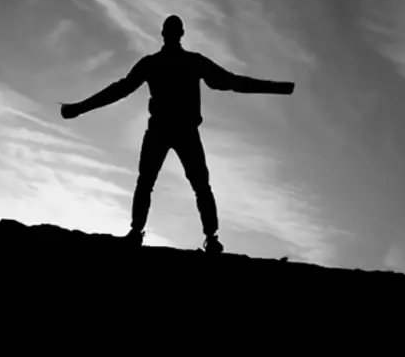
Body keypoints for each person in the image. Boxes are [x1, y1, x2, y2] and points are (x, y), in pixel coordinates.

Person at [60, 15, 295, 254]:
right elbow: (120, 89)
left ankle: (197, 236)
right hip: (169, 129)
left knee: (186, 184)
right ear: (178, 34)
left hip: (179, 130)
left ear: (167, 34)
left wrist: (277, 88)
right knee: (170, 183)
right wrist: (80, 107)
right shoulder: (174, 62)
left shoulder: (173, 62)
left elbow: (229, 81)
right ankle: (154, 233)